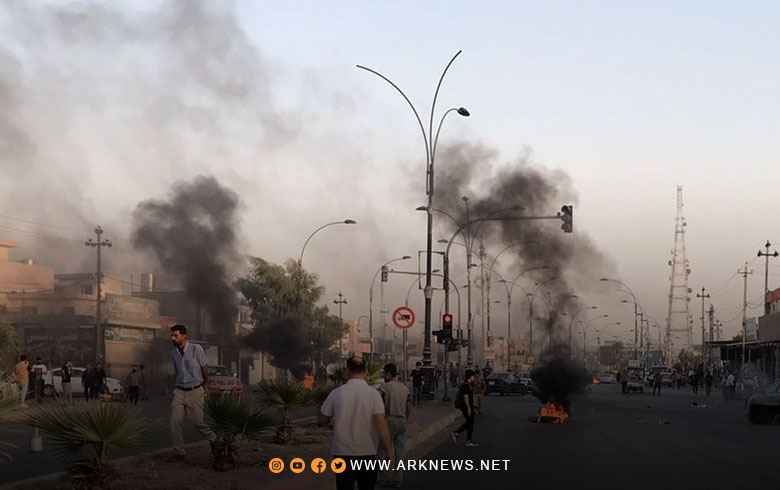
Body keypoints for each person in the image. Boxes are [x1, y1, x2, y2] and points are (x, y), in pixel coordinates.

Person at [318, 356, 393, 490]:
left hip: (342, 454)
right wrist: (389, 451)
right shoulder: (373, 394)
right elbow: (381, 423)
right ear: (366, 372)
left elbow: (322, 418)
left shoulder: (337, 393)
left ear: (348, 371)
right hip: (367, 453)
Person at [168, 324, 219, 461]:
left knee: (197, 422)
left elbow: (204, 368)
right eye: (172, 336)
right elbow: (177, 371)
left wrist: (204, 384)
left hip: (195, 390)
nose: (173, 338)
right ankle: (179, 452)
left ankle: (214, 440)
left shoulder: (196, 349)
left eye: (176, 335)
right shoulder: (174, 353)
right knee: (175, 422)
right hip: (179, 391)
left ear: (184, 336)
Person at [376, 363, 411, 489]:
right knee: (400, 452)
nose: (384, 376)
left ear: (388, 374)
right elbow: (409, 407)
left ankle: (384, 478)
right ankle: (398, 480)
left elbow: (376, 400)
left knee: (382, 450)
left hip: (389, 420)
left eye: (384, 374)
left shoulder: (384, 387)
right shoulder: (404, 388)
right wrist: (405, 418)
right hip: (402, 420)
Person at [450, 369, 478, 447]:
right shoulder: (466, 385)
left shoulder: (468, 384)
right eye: (473, 376)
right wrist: (469, 408)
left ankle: (466, 438)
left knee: (470, 422)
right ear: (470, 376)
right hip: (465, 406)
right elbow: (466, 397)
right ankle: (457, 434)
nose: (474, 378)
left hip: (467, 406)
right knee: (470, 422)